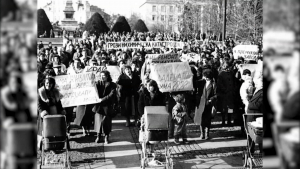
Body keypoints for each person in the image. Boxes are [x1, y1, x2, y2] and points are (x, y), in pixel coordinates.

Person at [37, 77, 66, 149]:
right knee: (46, 129)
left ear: (53, 84)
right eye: (47, 83)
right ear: (44, 83)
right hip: (46, 114)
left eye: (50, 83)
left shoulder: (56, 92)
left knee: (56, 129)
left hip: (55, 113)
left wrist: (62, 110)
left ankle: (56, 144)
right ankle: (44, 144)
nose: (48, 85)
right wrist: (42, 112)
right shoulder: (41, 92)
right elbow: (38, 104)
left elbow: (59, 103)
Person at [93, 70, 117, 144]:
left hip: (107, 105)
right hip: (99, 106)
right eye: (101, 75)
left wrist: (102, 99)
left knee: (106, 122)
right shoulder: (98, 83)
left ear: (107, 76)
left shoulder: (112, 85)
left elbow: (111, 95)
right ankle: (98, 136)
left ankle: (106, 136)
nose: (102, 77)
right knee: (98, 122)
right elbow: (93, 91)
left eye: (103, 76)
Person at [194, 70, 217, 140]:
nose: (203, 77)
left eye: (205, 76)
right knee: (201, 118)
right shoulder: (201, 82)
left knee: (207, 119)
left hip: (208, 104)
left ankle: (207, 134)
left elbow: (216, 94)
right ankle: (202, 134)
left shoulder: (213, 84)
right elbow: (194, 84)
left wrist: (211, 100)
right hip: (201, 103)